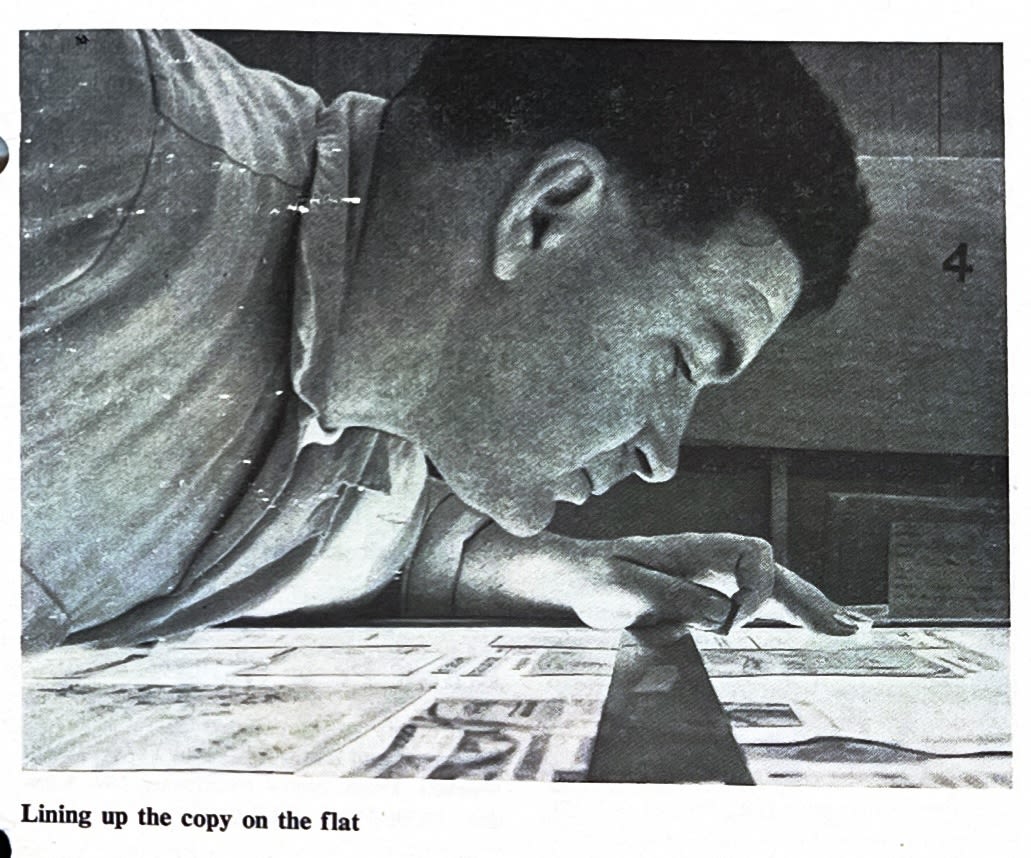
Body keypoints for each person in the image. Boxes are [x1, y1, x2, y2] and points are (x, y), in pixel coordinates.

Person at [21, 30, 871, 653]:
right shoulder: (95, 115)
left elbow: (354, 534)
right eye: (682, 360)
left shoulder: (386, 408)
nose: (660, 457)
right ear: (546, 213)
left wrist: (550, 568)